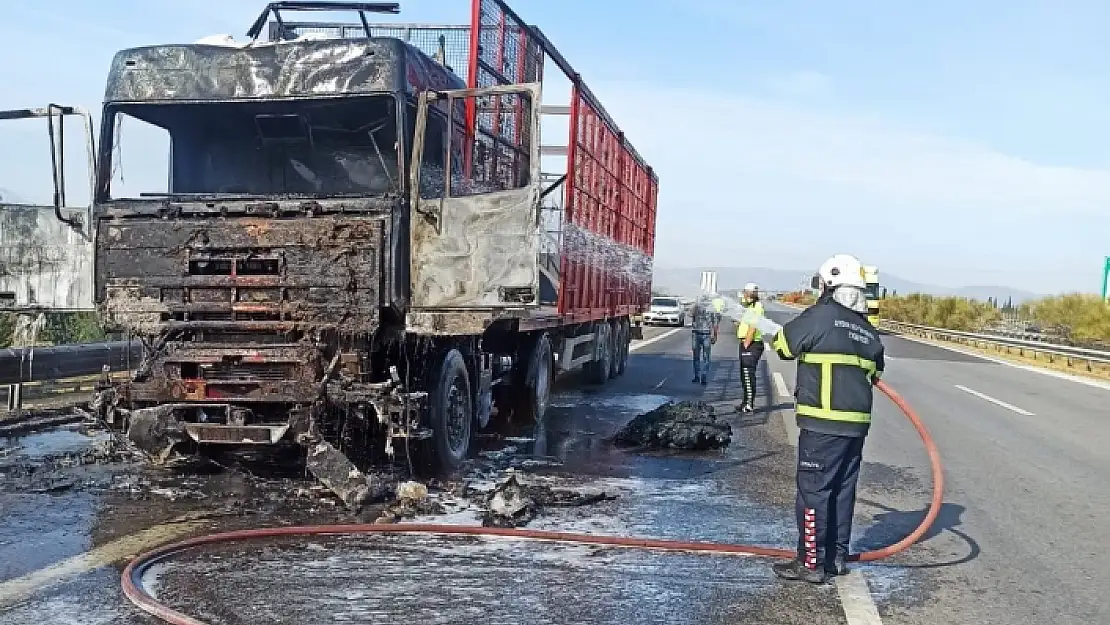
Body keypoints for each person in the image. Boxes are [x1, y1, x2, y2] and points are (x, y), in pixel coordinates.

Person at [765, 254, 886, 584]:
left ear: (829, 285)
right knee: (842, 492)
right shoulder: (866, 330)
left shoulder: (821, 316)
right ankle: (835, 559)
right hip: (856, 429)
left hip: (822, 426)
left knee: (814, 492)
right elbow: (876, 372)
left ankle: (810, 563)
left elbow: (784, 346)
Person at [736, 282, 764, 413]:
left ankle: (749, 404)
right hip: (746, 343)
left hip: (752, 344)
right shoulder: (749, 306)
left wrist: (747, 343)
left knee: (748, 375)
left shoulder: (757, 306)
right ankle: (745, 402)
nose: (745, 295)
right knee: (744, 375)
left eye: (746, 293)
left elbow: (753, 326)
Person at [690, 294, 720, 386]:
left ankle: (697, 376)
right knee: (706, 357)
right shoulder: (712, 309)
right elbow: (715, 323)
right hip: (706, 334)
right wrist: (715, 336)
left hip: (696, 333)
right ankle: (704, 376)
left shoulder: (696, 307)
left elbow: (690, 315)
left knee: (696, 357)